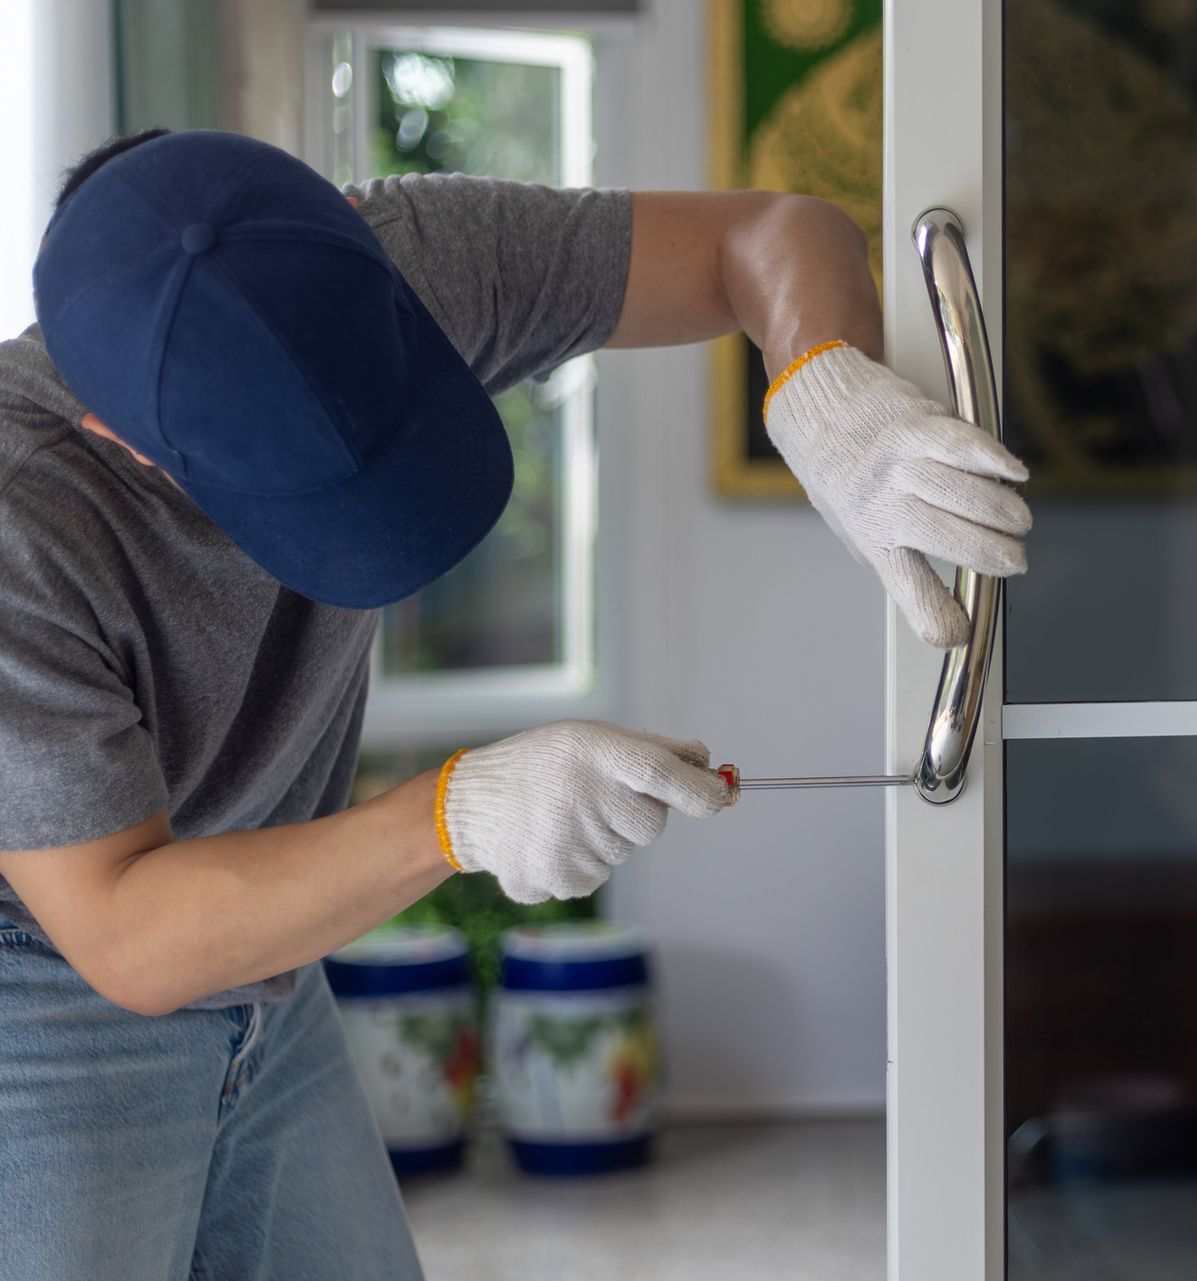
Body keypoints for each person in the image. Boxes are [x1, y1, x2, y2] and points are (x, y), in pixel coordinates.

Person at [0, 128, 1030, 1279]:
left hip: (267, 978)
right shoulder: (19, 522)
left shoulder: (385, 256)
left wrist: (826, 390)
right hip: (44, 1002)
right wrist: (456, 815)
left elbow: (772, 233)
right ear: (116, 435)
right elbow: (127, 937)